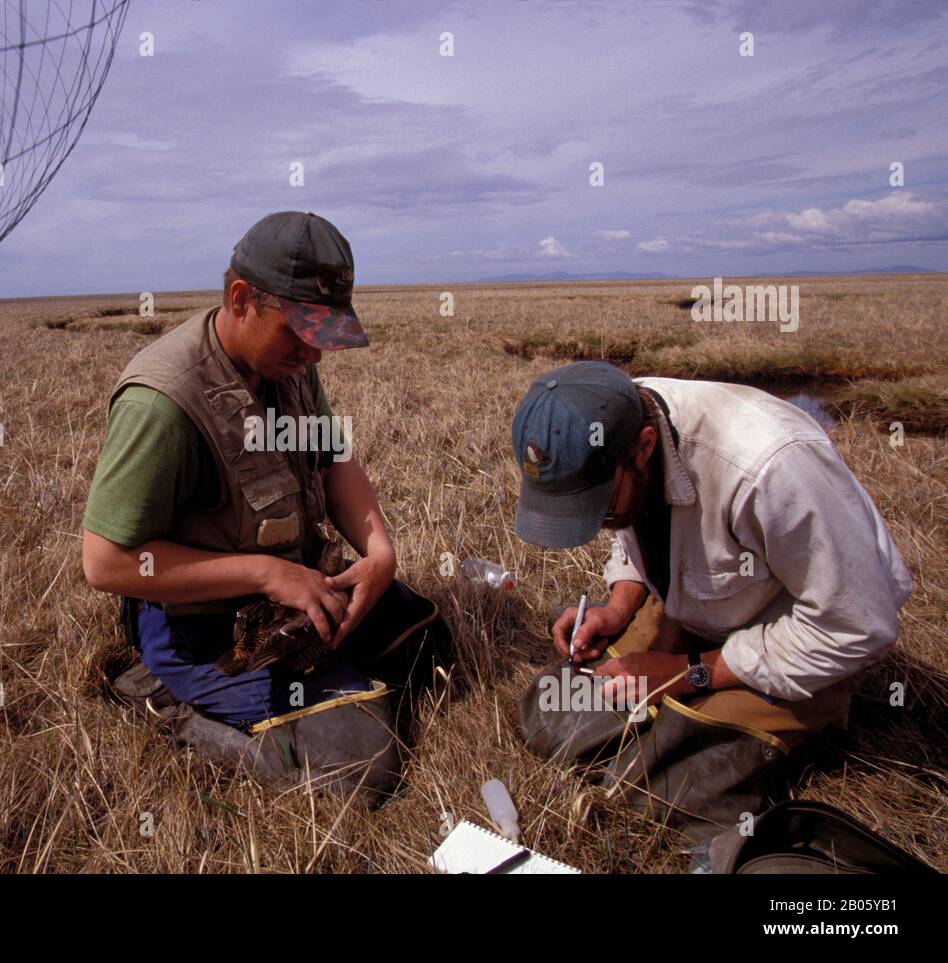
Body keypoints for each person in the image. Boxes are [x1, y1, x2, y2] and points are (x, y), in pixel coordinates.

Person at [81, 211, 451, 802]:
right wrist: (267, 573)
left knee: (430, 642)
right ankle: (164, 696)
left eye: (323, 334)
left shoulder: (287, 367)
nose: (315, 355)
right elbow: (106, 564)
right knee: (363, 769)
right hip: (203, 626)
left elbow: (332, 459)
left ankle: (333, 684)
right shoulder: (163, 402)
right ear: (241, 299)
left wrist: (380, 551)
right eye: (300, 331)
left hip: (295, 592)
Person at [509, 360, 913, 840]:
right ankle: (683, 729)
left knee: (658, 795)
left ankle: (811, 721)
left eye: (598, 505)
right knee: (548, 716)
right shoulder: (613, 422)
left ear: (643, 446)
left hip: (788, 640)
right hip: (699, 605)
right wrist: (620, 605)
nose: (595, 522)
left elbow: (856, 624)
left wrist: (689, 673)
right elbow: (632, 527)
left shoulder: (770, 466)